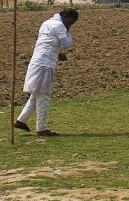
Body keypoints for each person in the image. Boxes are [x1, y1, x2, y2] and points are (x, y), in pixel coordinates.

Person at [13, 8, 79, 137]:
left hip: (38, 61)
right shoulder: (59, 26)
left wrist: (57, 53)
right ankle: (41, 129)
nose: (69, 25)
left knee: (37, 94)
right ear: (64, 17)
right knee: (44, 96)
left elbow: (47, 43)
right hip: (45, 65)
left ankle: (21, 121)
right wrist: (68, 33)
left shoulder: (47, 23)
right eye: (70, 22)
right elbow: (66, 44)